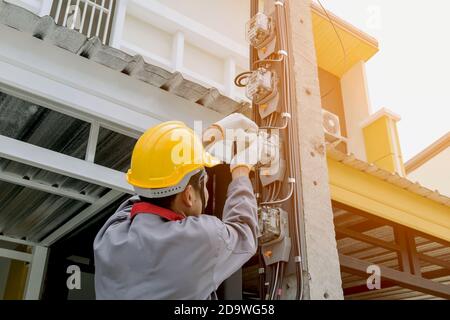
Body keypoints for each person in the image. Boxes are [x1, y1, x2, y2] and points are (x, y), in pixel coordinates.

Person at [93, 114, 270, 299]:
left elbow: (152, 185)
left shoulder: (110, 235)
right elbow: (244, 232)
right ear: (189, 195)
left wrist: (209, 137)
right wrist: (241, 169)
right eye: (205, 182)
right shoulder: (201, 239)